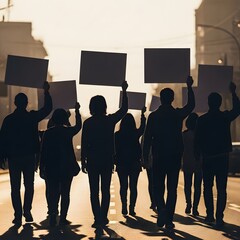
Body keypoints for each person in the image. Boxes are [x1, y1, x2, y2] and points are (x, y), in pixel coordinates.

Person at [143, 76, 195, 230]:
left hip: (159, 156)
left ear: (161, 99)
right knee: (172, 189)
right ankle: (169, 218)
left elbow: (147, 138)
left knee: (157, 187)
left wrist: (145, 156)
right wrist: (189, 87)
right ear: (172, 99)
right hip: (174, 156)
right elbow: (191, 105)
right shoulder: (177, 114)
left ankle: (162, 211)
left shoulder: (154, 116)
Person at [0, 81, 52, 225]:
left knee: (15, 187)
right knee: (29, 185)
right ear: (27, 103)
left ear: (16, 103)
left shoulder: (9, 120)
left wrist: (2, 157)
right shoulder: (31, 117)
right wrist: (46, 92)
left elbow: (2, 139)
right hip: (29, 156)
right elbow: (47, 109)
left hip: (14, 157)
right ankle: (27, 211)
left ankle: (17, 215)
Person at [81, 81, 128, 228]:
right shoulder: (110, 121)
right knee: (105, 190)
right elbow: (124, 110)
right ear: (104, 106)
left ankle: (97, 218)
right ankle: (104, 217)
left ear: (91, 107)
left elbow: (84, 144)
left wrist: (83, 161)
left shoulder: (88, 123)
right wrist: (124, 91)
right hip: (107, 159)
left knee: (94, 191)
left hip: (93, 159)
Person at [195, 82, 240, 227]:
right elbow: (237, 110)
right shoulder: (224, 117)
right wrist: (233, 93)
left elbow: (197, 140)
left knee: (207, 187)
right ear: (220, 103)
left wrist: (197, 156)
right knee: (221, 189)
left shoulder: (201, 120)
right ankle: (219, 216)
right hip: (222, 157)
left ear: (208, 103)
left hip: (208, 158)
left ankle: (209, 215)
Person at [40, 103, 81, 227]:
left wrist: (41, 167)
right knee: (65, 193)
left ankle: (53, 214)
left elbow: (43, 152)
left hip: (51, 167)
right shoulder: (68, 131)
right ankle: (63, 217)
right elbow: (78, 126)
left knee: (53, 192)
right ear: (65, 119)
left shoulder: (47, 133)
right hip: (66, 166)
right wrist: (77, 111)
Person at [114, 107, 146, 216]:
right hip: (134, 163)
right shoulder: (135, 133)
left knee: (123, 186)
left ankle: (124, 206)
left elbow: (114, 150)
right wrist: (143, 115)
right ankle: (132, 208)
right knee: (133, 186)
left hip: (121, 163)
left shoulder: (117, 135)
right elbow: (142, 128)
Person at [182, 112, 202, 216]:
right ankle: (195, 207)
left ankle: (188, 204)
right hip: (199, 162)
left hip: (187, 162)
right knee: (197, 186)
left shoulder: (184, 135)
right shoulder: (201, 136)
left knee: (187, 185)